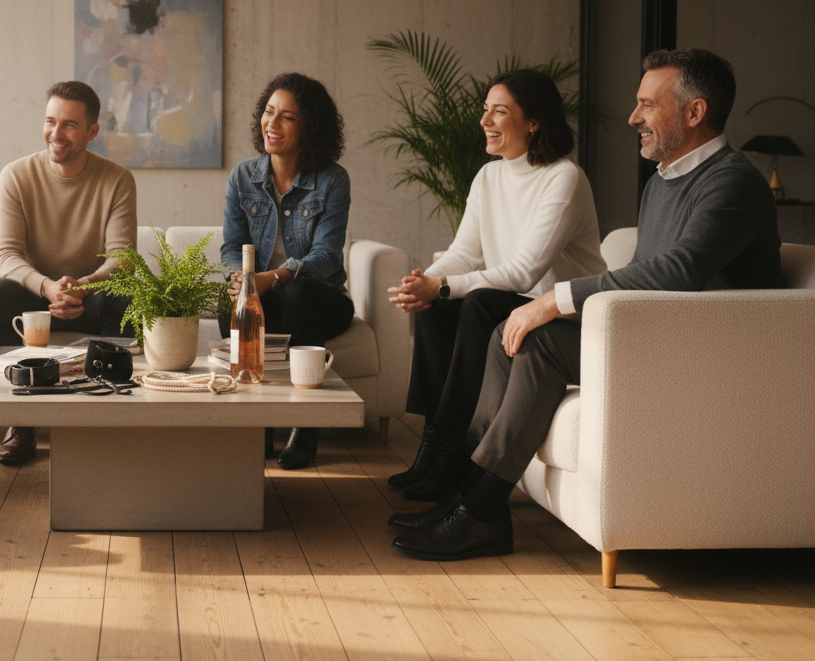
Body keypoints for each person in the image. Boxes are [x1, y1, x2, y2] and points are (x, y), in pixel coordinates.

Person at [391, 48, 784, 561]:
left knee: (542, 340)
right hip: (662, 333)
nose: (632, 117)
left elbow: (679, 271)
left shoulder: (733, 182)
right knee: (507, 332)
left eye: (647, 104)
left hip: (709, 353)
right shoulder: (665, 180)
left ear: (695, 112)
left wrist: (557, 299)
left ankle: (479, 509)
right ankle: (469, 495)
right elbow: (650, 280)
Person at [385, 70, 606, 501]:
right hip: (513, 301)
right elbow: (465, 252)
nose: (485, 120)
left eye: (499, 111)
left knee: (479, 303)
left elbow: (524, 273)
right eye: (485, 110)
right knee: (440, 306)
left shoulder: (563, 177)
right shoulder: (489, 177)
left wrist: (443, 285)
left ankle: (453, 452)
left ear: (534, 122)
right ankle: (433, 444)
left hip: (560, 315)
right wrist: (428, 282)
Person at [0, 81, 138, 466]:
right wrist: (48, 286)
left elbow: (123, 259)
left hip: (91, 294)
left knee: (127, 296)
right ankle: (22, 421)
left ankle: (111, 418)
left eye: (69, 125)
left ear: (92, 132)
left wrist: (81, 287)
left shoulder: (117, 179)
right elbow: (6, 254)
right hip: (37, 294)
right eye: (51, 121)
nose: (56, 133)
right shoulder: (16, 176)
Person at [220, 72, 354, 470]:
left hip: (320, 299)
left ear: (309, 127)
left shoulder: (331, 180)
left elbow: (326, 255)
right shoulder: (243, 177)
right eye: (268, 112)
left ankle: (304, 426)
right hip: (263, 296)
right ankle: (255, 427)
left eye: (287, 117)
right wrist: (239, 280)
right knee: (225, 304)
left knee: (296, 294)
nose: (271, 124)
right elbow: (231, 247)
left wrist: (273, 277)